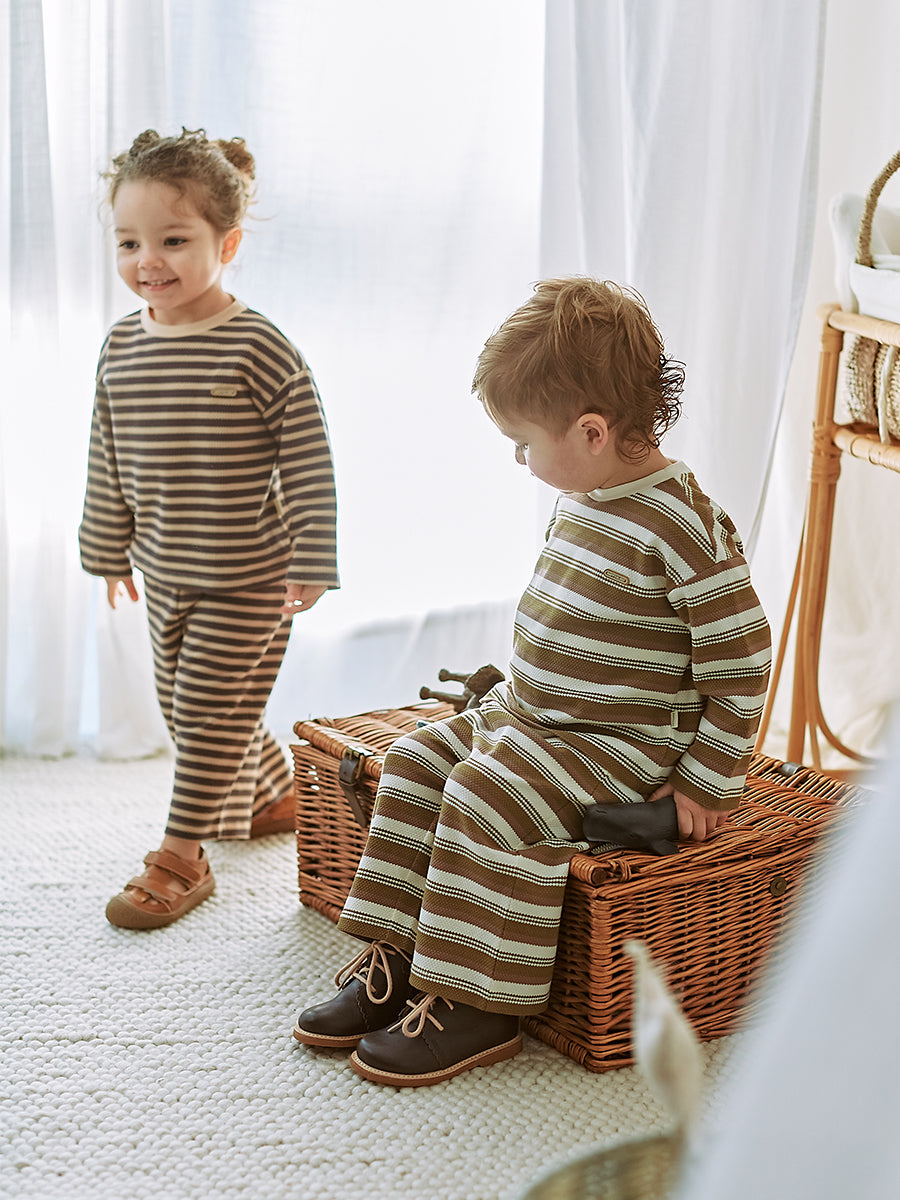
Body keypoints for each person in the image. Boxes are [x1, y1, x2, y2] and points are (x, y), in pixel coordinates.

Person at [291, 277, 771, 1088]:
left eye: (522, 443)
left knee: (488, 795)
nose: (518, 460)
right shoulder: (584, 491)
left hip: (616, 748)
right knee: (413, 763)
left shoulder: (684, 526)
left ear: (591, 432)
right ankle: (401, 958)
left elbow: (743, 661)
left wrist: (706, 781)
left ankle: (478, 1001)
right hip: (528, 716)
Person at [79, 128, 339, 930]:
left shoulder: (258, 347)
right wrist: (108, 549)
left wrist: (313, 554)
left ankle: (182, 856)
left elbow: (308, 457)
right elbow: (107, 452)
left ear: (226, 245)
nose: (147, 261)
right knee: (187, 705)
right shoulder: (122, 347)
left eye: (172, 240)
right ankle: (267, 794)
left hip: (248, 574)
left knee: (203, 709)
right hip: (164, 570)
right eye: (129, 242)